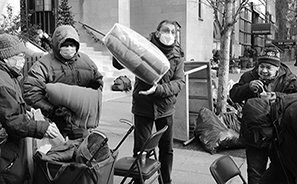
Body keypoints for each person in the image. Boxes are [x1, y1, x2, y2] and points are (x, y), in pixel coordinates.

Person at [113, 20, 185, 184]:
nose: (170, 34)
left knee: (167, 149)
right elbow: (119, 64)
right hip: (143, 106)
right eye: (166, 30)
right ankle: (139, 181)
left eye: (173, 32)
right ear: (158, 32)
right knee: (140, 150)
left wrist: (159, 90)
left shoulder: (177, 55)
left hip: (165, 108)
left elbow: (179, 82)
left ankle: (166, 181)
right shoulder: (143, 46)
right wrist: (117, 46)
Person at [229, 46, 297, 184]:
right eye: (261, 66)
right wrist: (247, 88)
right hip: (254, 133)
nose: (264, 71)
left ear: (277, 68)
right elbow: (234, 95)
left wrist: (278, 97)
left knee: (279, 171)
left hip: (278, 135)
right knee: (255, 172)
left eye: (268, 67)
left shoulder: (289, 79)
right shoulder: (248, 76)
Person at [23, 25, 104, 139]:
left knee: (81, 152)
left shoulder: (86, 61)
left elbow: (98, 80)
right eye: (65, 45)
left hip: (80, 123)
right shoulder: (44, 64)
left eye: (72, 45)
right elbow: (31, 91)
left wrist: (95, 88)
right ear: (57, 45)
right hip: (55, 124)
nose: (69, 48)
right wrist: (51, 109)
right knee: (57, 153)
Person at [0, 33, 60, 184]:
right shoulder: (3, 82)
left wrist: (28, 109)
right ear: (6, 57)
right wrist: (41, 127)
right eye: (19, 56)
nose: (23, 60)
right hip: (5, 150)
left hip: (11, 148)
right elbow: (12, 120)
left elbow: (15, 103)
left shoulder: (10, 75)